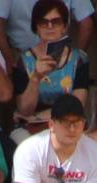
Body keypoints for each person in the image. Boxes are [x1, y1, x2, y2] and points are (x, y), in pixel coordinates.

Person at [10, 0, 90, 145]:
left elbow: (77, 106)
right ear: (36, 27)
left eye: (56, 21)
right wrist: (35, 78)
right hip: (30, 128)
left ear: (65, 26)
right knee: (26, 145)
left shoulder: (79, 60)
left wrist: (36, 117)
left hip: (69, 124)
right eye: (43, 22)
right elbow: (25, 109)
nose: (50, 26)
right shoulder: (23, 60)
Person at [0, 0, 97, 63]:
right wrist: (9, 61)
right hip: (20, 55)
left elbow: (86, 23)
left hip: (61, 55)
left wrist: (76, 59)